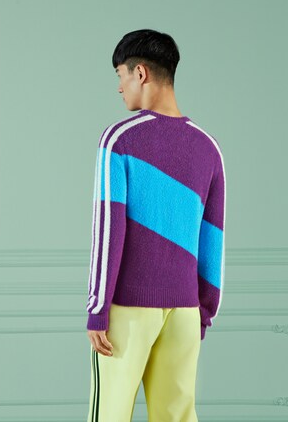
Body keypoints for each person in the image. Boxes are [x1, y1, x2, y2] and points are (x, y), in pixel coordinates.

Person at [86, 28, 226, 422]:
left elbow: (108, 229)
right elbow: (213, 236)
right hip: (185, 311)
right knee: (177, 417)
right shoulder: (208, 147)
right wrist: (203, 310)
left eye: (120, 75)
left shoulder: (120, 139)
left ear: (141, 72)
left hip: (127, 311)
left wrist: (98, 308)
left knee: (110, 415)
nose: (119, 87)